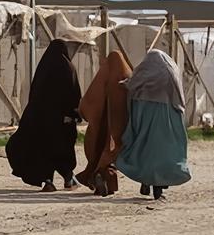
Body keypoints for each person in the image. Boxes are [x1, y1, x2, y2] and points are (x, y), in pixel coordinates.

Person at [6, 39, 82, 192]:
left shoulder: (43, 69)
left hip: (41, 120)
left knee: (43, 149)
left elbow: (35, 96)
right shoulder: (68, 68)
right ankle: (69, 178)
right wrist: (73, 114)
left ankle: (48, 180)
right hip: (62, 121)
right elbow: (73, 93)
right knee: (63, 149)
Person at [116, 49, 192, 200]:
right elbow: (179, 98)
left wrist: (125, 84)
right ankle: (158, 188)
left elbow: (132, 84)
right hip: (167, 119)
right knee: (162, 154)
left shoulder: (144, 71)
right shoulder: (170, 72)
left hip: (144, 115)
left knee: (144, 149)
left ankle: (145, 180)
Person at [76, 51, 132, 196]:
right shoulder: (126, 74)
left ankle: (97, 175)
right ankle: (106, 177)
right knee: (114, 149)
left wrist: (88, 113)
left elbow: (89, 99)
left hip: (100, 121)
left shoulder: (103, 75)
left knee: (97, 145)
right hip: (118, 122)